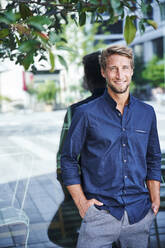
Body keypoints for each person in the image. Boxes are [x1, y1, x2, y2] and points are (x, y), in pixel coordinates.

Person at [61, 45, 161, 248]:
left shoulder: (147, 113)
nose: (119, 74)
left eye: (125, 68)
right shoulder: (85, 113)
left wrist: (155, 197)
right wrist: (81, 203)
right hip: (100, 214)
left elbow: (153, 157)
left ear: (132, 71)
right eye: (113, 68)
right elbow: (68, 159)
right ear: (103, 72)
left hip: (139, 213)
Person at [48, 51, 106, 248]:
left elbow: (63, 159)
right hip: (121, 194)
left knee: (57, 232)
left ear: (89, 78)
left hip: (84, 188)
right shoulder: (132, 108)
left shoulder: (77, 111)